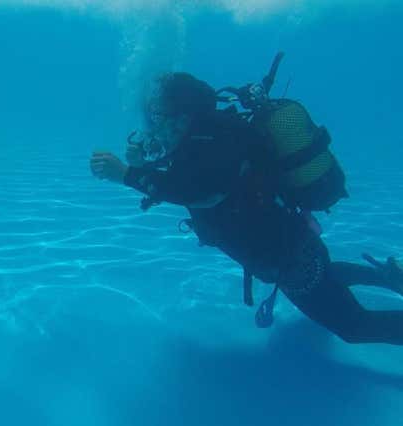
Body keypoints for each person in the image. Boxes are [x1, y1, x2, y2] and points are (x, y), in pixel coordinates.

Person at [90, 72, 403, 345]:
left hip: (292, 261)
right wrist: (146, 165)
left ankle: (388, 277)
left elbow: (204, 191)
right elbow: (192, 181)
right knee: (328, 277)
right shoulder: (210, 138)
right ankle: (388, 276)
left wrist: (129, 175)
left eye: (162, 119)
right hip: (297, 250)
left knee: (354, 327)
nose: (157, 129)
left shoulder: (210, 141)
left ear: (184, 116)